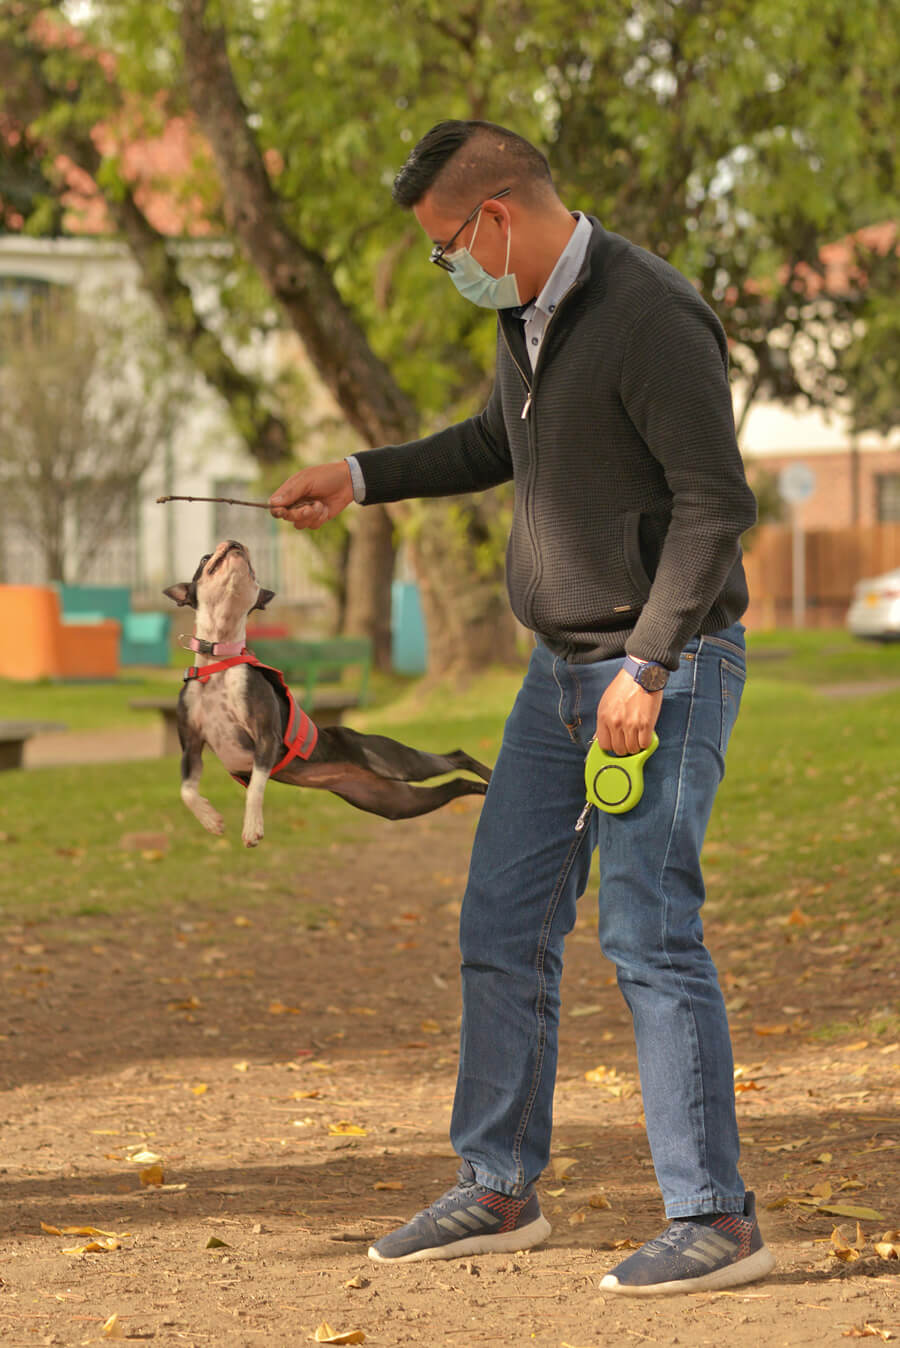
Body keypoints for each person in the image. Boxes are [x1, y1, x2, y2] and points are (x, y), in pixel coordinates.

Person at [269, 120, 774, 1295]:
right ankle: (496, 1185)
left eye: (449, 246)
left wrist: (647, 670)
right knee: (503, 921)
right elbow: (501, 440)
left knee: (649, 932)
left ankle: (718, 1216)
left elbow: (714, 507)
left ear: (497, 216)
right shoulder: (526, 314)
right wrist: (359, 476)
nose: (452, 269)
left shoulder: (654, 316)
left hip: (665, 670)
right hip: (559, 674)